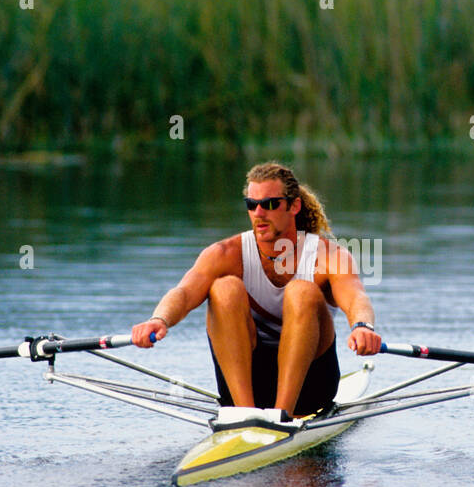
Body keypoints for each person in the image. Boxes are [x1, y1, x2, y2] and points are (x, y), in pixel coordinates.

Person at [131, 161, 380, 419]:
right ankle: (245, 416)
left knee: (301, 291)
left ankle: (281, 415)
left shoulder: (329, 256)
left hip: (310, 388)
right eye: (252, 205)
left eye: (270, 204)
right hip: (247, 386)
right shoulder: (226, 254)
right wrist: (158, 319)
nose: (259, 213)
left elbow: (355, 296)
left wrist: (362, 326)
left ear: (294, 206)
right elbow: (183, 293)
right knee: (224, 288)